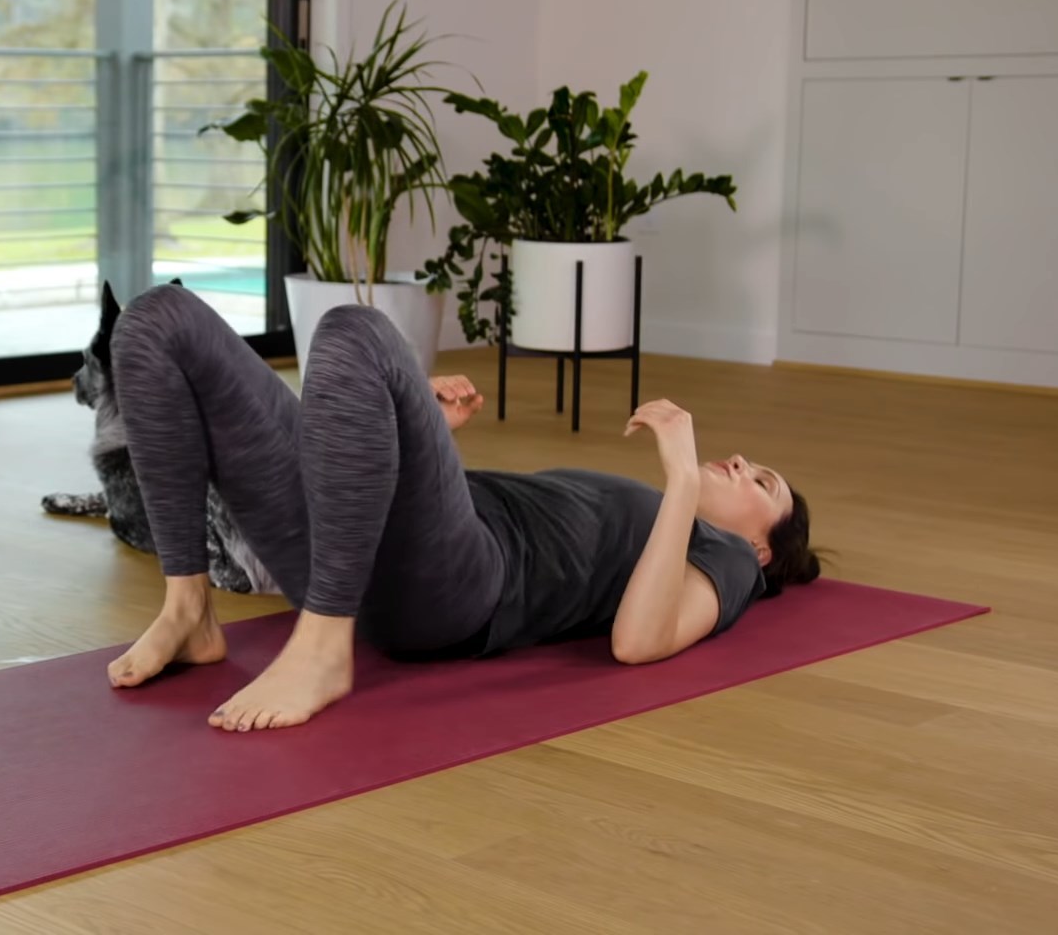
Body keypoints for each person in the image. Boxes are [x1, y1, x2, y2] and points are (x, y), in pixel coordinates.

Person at [104, 283, 821, 733]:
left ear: (763, 548)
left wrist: (684, 482)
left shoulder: (730, 561)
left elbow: (637, 641)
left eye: (763, 484)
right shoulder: (672, 520)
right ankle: (189, 610)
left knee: (356, 330)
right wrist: (420, 435)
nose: (741, 463)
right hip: (384, 544)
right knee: (156, 321)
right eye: (750, 464)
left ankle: (322, 648)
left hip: (463, 590)